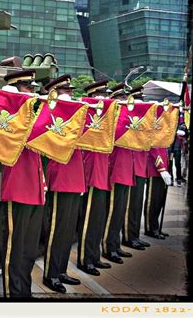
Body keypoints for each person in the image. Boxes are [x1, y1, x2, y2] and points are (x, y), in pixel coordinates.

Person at [0, 70, 47, 297]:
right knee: (15, 249)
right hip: (18, 188)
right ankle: (14, 295)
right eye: (28, 88)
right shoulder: (12, 115)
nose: (34, 93)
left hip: (34, 188)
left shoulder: (30, 113)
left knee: (28, 249)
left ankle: (24, 292)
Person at [41, 75, 84, 293]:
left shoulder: (73, 113)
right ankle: (50, 273)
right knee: (57, 229)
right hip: (60, 177)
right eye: (66, 91)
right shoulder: (50, 113)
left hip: (75, 177)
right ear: (55, 92)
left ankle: (61, 270)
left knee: (68, 230)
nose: (71, 94)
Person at [76, 80, 113, 276]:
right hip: (91, 174)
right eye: (101, 95)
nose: (105, 99)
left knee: (98, 219)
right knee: (89, 219)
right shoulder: (86, 112)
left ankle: (94, 255)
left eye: (106, 95)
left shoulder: (104, 116)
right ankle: (85, 259)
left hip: (102, 175)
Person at [102, 83, 135, 265]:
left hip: (126, 169)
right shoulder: (113, 118)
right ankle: (108, 246)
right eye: (122, 98)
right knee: (113, 211)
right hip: (115, 169)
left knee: (120, 210)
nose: (125, 102)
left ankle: (115, 244)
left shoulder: (125, 116)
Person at [122, 86, 151, 250]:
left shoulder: (143, 117)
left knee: (137, 204)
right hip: (128, 167)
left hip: (139, 166)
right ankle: (128, 236)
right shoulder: (126, 116)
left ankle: (134, 235)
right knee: (128, 205)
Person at [144, 146, 173, 239]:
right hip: (154, 169)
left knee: (159, 201)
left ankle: (156, 226)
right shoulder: (156, 132)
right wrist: (161, 168)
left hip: (164, 169)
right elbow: (153, 149)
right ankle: (150, 228)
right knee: (153, 201)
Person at [168, 122, 188, 187]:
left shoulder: (181, 126)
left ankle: (178, 179)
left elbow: (184, 134)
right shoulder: (169, 125)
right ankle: (170, 179)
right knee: (170, 164)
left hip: (177, 149)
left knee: (177, 164)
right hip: (170, 149)